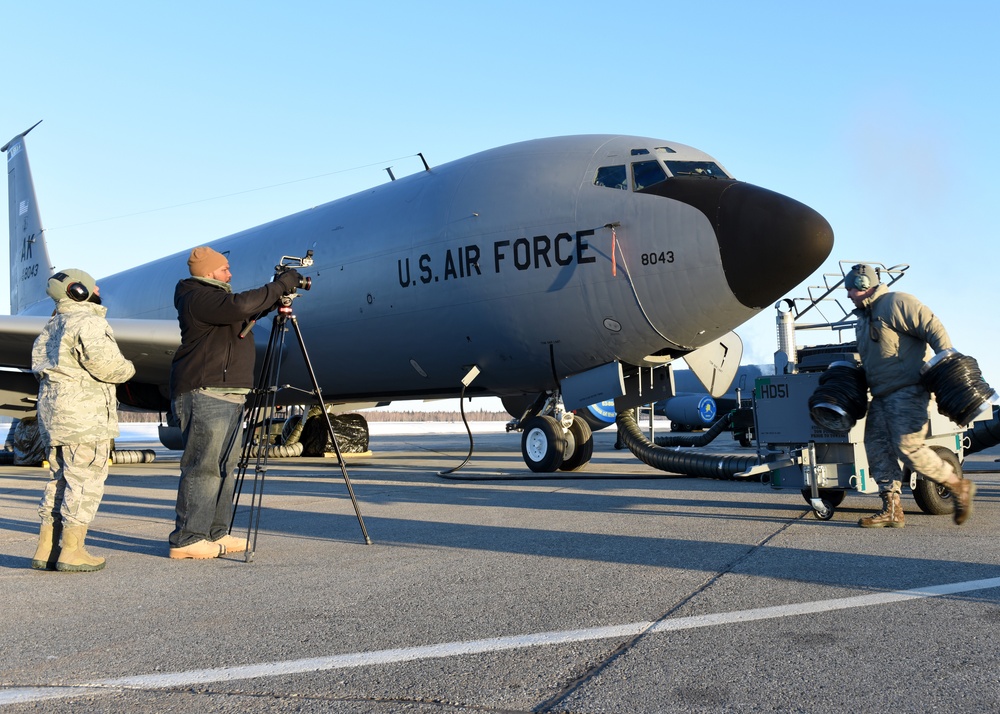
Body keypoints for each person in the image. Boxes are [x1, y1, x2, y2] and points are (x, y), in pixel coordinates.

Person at [168, 246, 302, 559]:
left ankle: (215, 533)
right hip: (206, 393)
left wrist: (274, 296)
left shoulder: (218, 302)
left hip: (229, 394)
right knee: (203, 468)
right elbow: (241, 305)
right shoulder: (196, 296)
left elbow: (245, 310)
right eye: (225, 268)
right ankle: (187, 539)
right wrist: (279, 285)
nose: (230, 274)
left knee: (226, 467)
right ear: (209, 272)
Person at [846, 263, 975, 528]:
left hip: (908, 390)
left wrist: (947, 364)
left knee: (909, 448)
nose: (848, 295)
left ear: (862, 284)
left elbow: (932, 326)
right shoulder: (862, 319)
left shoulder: (896, 302)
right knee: (877, 449)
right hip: (881, 396)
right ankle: (891, 509)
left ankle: (958, 486)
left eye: (850, 288)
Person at [30, 269, 136, 572]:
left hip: (55, 415)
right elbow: (110, 367)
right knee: (85, 481)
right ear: (78, 291)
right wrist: (129, 368)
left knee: (60, 479)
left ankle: (46, 548)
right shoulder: (88, 322)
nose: (98, 288)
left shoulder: (51, 325)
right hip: (84, 417)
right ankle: (72, 551)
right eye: (92, 285)